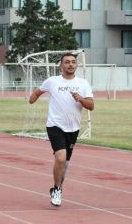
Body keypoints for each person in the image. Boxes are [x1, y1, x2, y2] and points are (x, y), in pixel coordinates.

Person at [29, 53, 94, 207]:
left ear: (76, 65)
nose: (70, 64)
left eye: (73, 62)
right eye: (67, 62)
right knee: (60, 158)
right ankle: (57, 189)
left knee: (65, 163)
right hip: (55, 125)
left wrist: (81, 99)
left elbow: (91, 105)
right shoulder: (52, 81)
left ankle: (59, 183)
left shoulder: (83, 83)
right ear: (61, 65)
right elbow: (38, 91)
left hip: (73, 128)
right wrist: (32, 98)